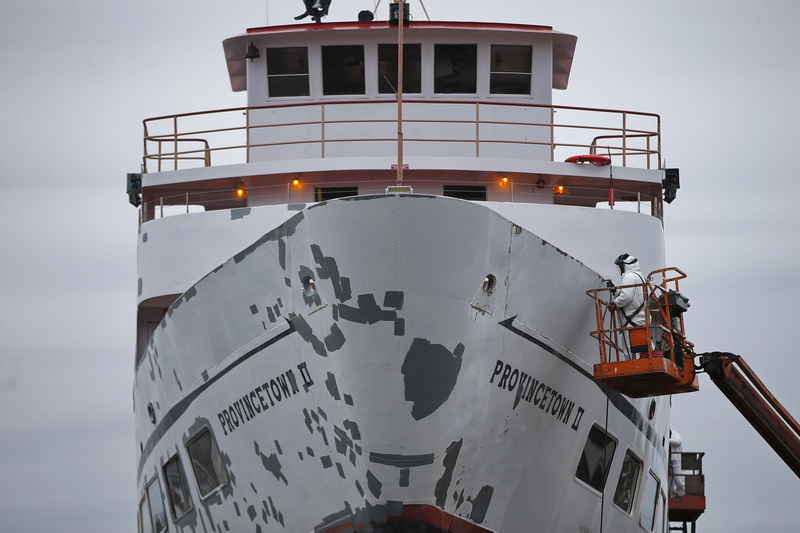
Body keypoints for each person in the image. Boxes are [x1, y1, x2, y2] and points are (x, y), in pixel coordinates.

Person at [669, 429, 686, 497]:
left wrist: (667, 440)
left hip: (677, 461)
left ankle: (682, 495)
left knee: (679, 480)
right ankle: (671, 495)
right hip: (668, 461)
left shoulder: (675, 434)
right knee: (669, 481)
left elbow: (678, 442)